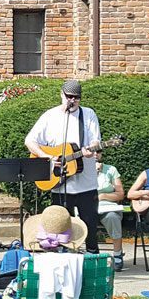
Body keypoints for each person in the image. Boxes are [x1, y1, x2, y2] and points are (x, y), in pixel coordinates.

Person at [25, 79, 101, 253]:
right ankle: (61, 257)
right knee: (59, 227)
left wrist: (92, 149)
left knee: (89, 223)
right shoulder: (50, 116)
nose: (72, 101)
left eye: (76, 98)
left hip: (86, 183)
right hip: (60, 183)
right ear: (61, 95)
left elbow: (95, 140)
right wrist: (47, 156)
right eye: (69, 97)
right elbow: (30, 141)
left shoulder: (88, 114)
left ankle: (91, 258)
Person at [95, 147, 125, 271]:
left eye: (98, 152)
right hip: (87, 207)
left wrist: (103, 196)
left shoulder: (111, 170)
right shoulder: (80, 170)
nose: (96, 154)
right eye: (93, 152)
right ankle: (88, 255)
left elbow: (120, 194)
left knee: (112, 217)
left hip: (107, 206)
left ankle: (117, 253)